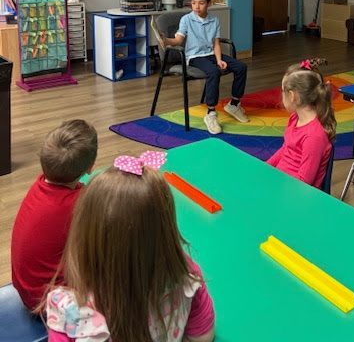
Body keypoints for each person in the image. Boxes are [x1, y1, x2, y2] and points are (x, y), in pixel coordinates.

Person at [42, 151, 215, 342]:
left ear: (84, 238)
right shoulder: (186, 276)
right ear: (166, 234)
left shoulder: (69, 310)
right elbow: (203, 337)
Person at [11, 119, 98, 311]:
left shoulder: (39, 184)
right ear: (90, 167)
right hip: (50, 304)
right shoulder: (77, 204)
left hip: (27, 290)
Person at [160, 0, 248, 135]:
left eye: (201, 3)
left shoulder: (214, 20)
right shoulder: (186, 19)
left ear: (209, 4)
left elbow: (216, 44)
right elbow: (178, 40)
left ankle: (234, 104)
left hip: (211, 54)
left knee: (241, 67)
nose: (196, 6)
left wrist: (219, 59)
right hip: (195, 57)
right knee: (214, 72)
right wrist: (166, 40)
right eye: (193, 3)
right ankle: (211, 113)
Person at [266, 58, 335, 189]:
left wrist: (275, 183)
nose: (281, 95)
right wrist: (265, 167)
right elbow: (286, 149)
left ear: (292, 96)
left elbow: (304, 182)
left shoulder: (314, 136)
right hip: (281, 181)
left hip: (294, 191)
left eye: (283, 91)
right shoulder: (295, 118)